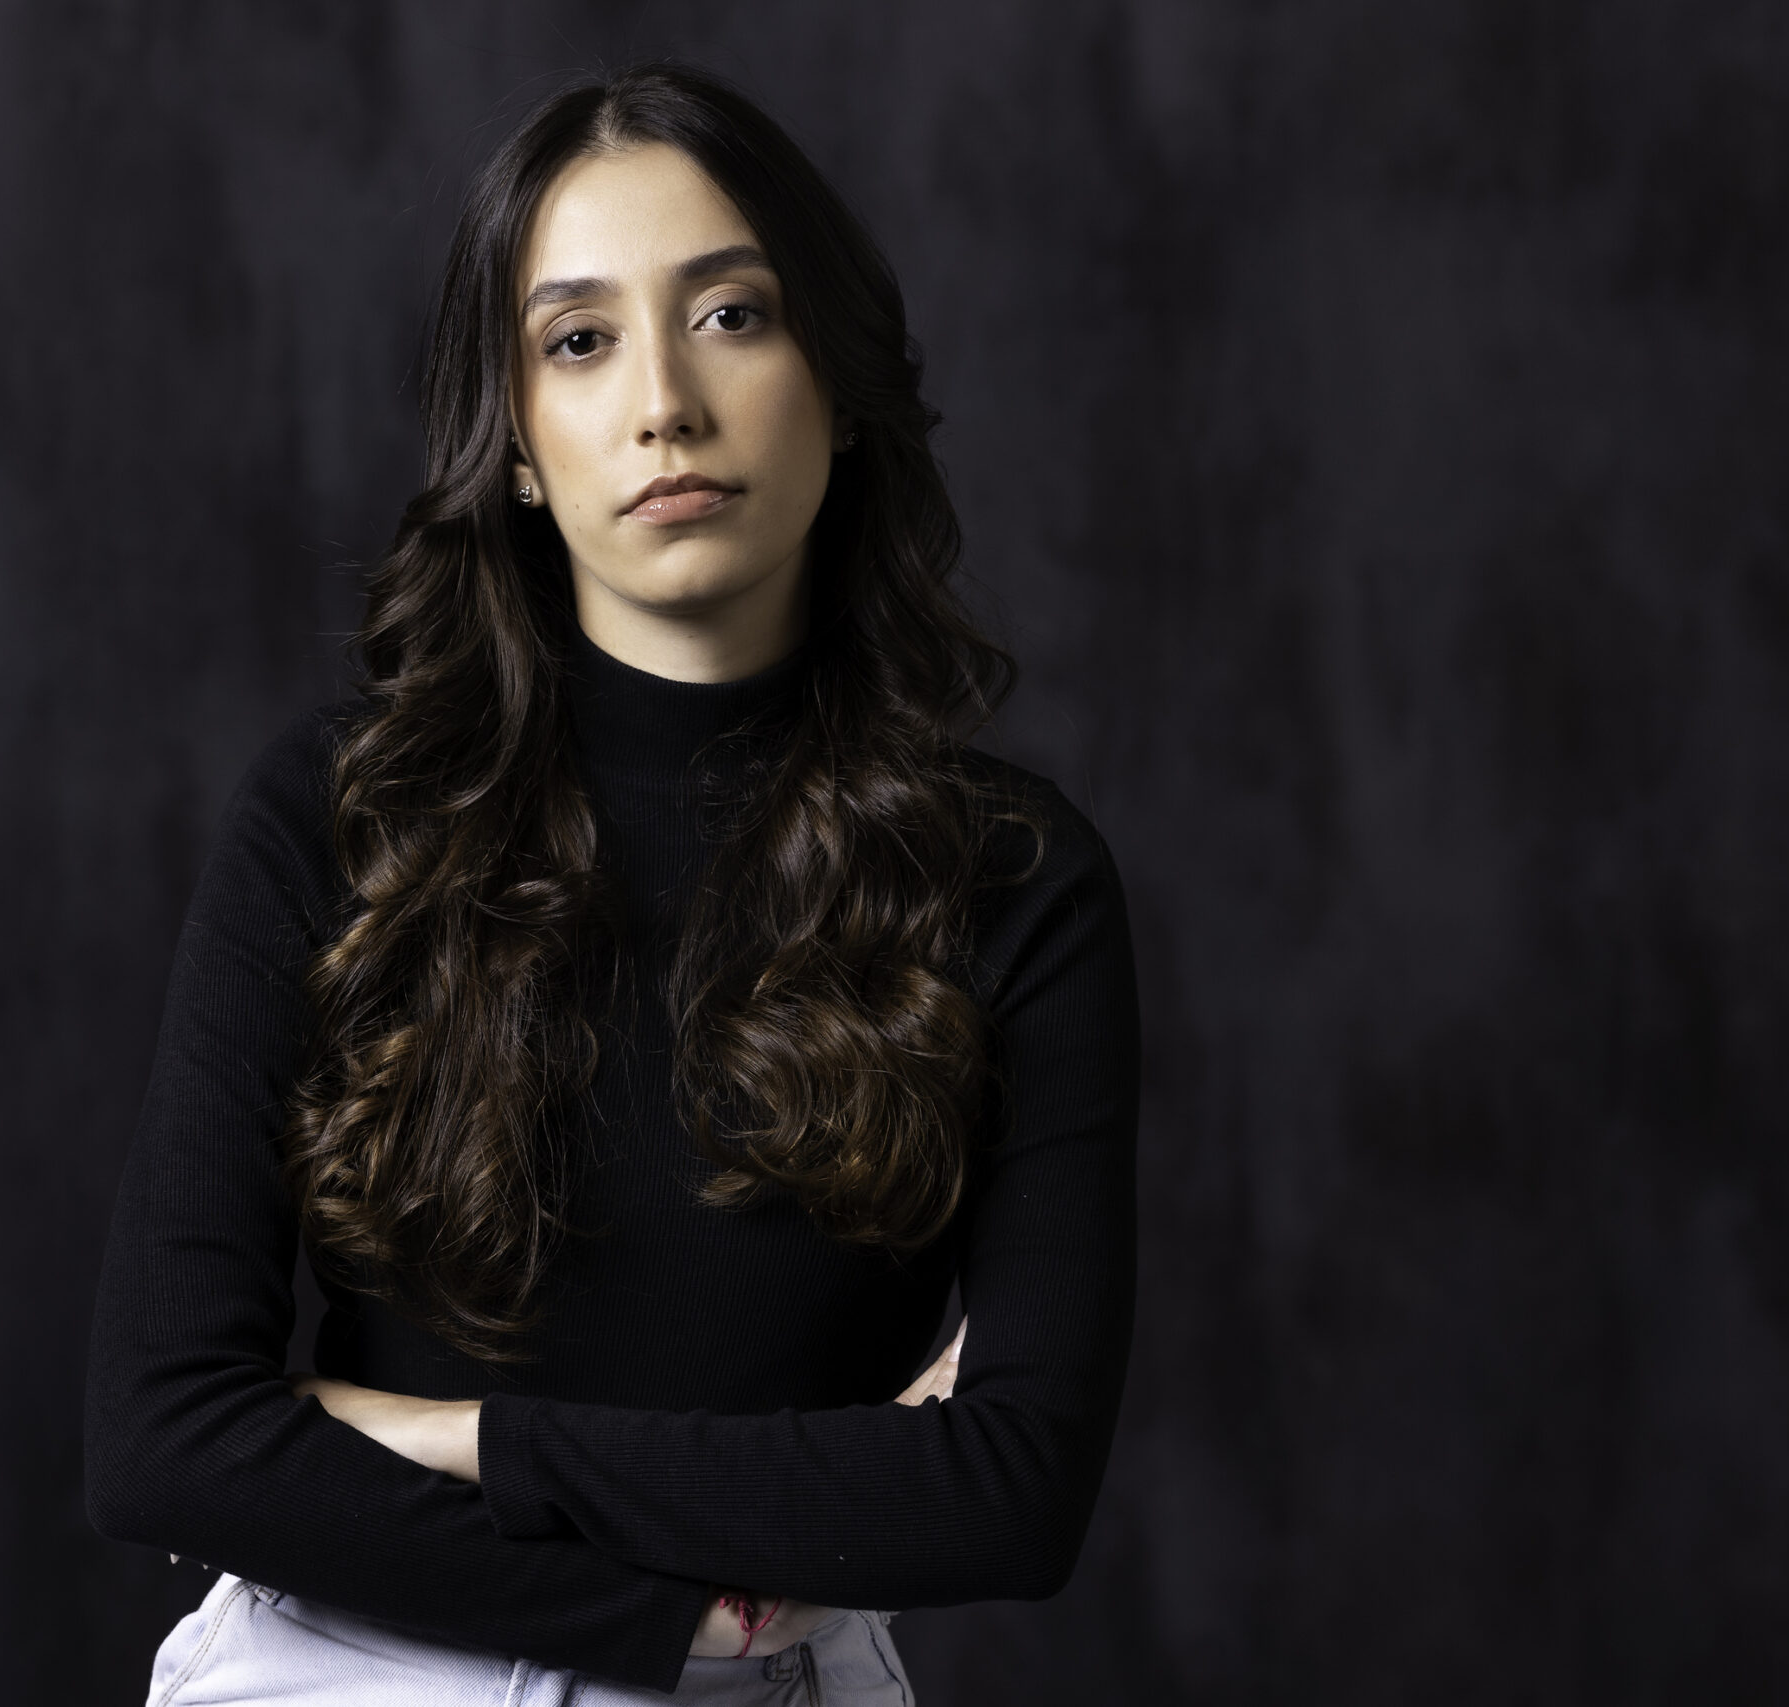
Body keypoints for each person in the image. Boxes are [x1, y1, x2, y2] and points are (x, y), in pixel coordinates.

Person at [83, 59, 1138, 1705]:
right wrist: (671, 1608)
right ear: (515, 445)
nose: (665, 403)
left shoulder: (1012, 881)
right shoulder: (339, 819)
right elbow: (161, 1441)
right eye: (578, 341)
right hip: (355, 1671)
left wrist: (461, 1436)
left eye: (731, 316)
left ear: (838, 381)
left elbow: (1008, 1493)